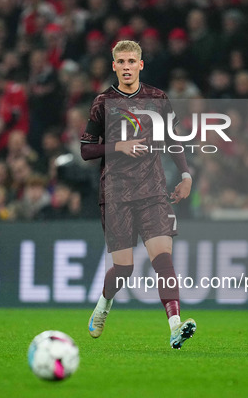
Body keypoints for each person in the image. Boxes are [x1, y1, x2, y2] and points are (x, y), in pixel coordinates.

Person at [80, 40, 196, 349]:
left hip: (153, 191)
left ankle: (175, 326)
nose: (128, 66)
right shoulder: (103, 102)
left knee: (164, 260)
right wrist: (118, 146)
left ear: (141, 65)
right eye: (122, 61)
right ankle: (103, 305)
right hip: (116, 194)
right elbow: (86, 149)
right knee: (125, 268)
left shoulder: (157, 98)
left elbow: (173, 138)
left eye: (133, 61)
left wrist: (185, 174)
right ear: (114, 66)